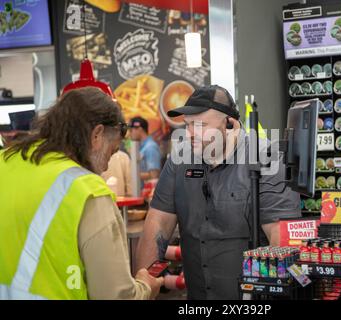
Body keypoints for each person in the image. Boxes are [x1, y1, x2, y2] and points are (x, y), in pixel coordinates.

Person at [136, 85, 301, 300]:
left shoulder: (266, 159)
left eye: (200, 125)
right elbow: (157, 224)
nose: (190, 134)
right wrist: (142, 289)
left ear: (230, 124)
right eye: (187, 125)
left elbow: (280, 240)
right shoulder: (179, 161)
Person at [0, 87, 163, 300]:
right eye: (111, 152)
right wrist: (146, 287)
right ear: (96, 135)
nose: (105, 167)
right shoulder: (87, 191)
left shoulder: (6, 161)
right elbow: (114, 296)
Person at [128, 117, 161, 188]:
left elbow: (154, 175)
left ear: (139, 129)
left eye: (131, 130)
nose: (129, 134)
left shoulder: (150, 147)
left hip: (148, 195)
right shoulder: (141, 147)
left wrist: (131, 175)